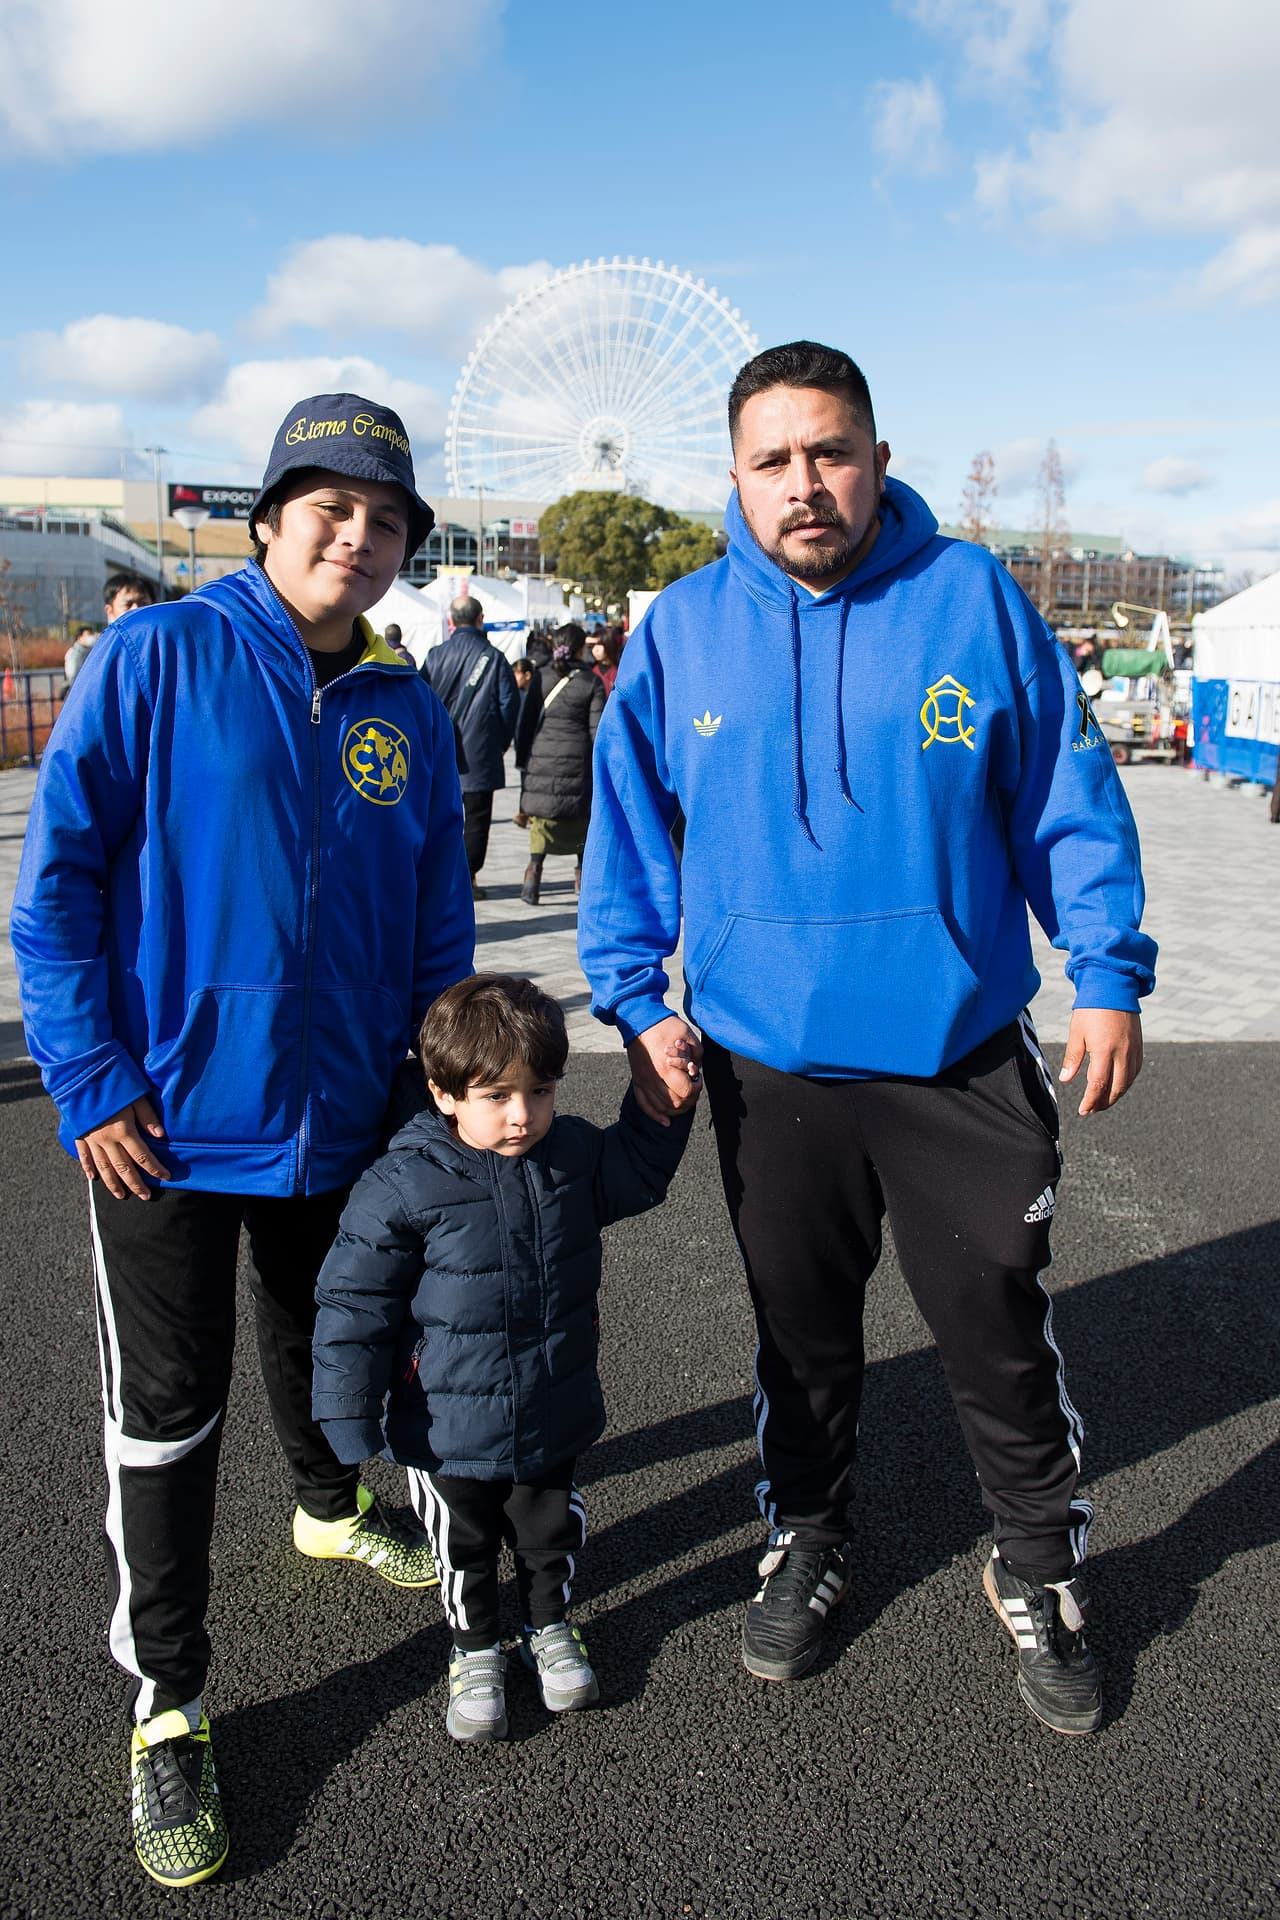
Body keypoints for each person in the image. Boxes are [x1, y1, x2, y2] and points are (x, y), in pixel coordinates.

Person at [578, 341, 1157, 1739]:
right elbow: (630, 836)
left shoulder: (972, 604)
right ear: (734, 477)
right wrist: (640, 1000)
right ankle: (810, 1534)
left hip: (955, 1052)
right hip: (768, 1066)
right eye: (773, 460)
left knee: (996, 1330)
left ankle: (1036, 1566)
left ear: (881, 459)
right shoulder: (681, 629)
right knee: (800, 1339)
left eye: (831, 451)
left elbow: (1064, 796)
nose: (806, 485)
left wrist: (1107, 971)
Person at [12, 392, 474, 1887]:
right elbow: (60, 882)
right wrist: (89, 1076)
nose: (356, 535)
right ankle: (170, 1700)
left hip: (340, 1117)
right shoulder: (158, 658)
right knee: (168, 1404)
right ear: (267, 518)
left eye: (386, 517)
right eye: (327, 505)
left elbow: (434, 928)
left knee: (320, 1334)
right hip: (162, 1124)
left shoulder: (403, 707)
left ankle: (331, 1508)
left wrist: (439, 1086)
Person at [311, 974, 694, 1742]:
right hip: (445, 1423)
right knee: (464, 1546)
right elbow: (355, 1306)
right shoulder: (402, 1182)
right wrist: (348, 1418)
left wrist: (665, 1107)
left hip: (552, 1402)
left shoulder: (572, 1156)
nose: (523, 1117)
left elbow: (639, 1173)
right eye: (497, 1097)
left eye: (541, 1091)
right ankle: (474, 1646)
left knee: (550, 1532)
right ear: (443, 1093)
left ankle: (549, 1625)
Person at [421, 594, 519, 899]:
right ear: (481, 619)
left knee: (437, 816)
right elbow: (509, 706)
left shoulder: (436, 655)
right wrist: (499, 743)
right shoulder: (495, 657)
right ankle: (468, 877)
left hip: (440, 752)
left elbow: (420, 701)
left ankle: (439, 878)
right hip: (480, 751)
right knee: (477, 819)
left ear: (451, 621)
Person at [513, 623, 605, 905]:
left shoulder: (540, 677)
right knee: (580, 818)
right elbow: (597, 730)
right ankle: (580, 878)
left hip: (542, 756)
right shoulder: (592, 682)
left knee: (542, 821)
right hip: (577, 759)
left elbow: (524, 724)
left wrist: (524, 760)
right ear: (580, 648)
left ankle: (532, 876)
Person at [63, 624, 98, 689]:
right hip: (79, 690)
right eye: (88, 635)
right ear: (79, 637)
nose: (91, 637)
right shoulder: (74, 653)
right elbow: (72, 675)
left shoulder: (91, 651)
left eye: (91, 634)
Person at [590, 628, 622, 695]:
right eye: (593, 646)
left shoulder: (619, 672)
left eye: (599, 644)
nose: (595, 649)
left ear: (609, 644)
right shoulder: (591, 670)